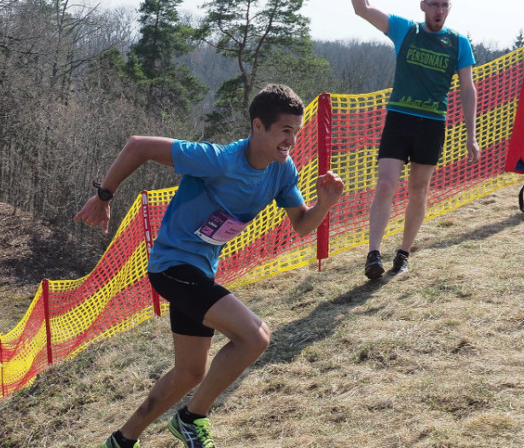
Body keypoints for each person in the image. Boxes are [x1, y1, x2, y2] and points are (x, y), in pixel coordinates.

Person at [75, 84, 344, 448]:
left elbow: (301, 224)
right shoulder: (217, 160)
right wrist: (104, 196)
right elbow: (138, 145)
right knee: (255, 336)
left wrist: (325, 204)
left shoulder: (282, 171)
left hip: (199, 272)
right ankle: (191, 418)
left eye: (296, 131)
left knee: (189, 372)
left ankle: (122, 440)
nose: (291, 141)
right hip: (172, 267)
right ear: (258, 126)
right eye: (285, 131)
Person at [351, 0, 480, 279]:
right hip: (399, 118)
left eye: (444, 5)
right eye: (433, 4)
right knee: (386, 184)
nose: (439, 10)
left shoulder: (458, 43)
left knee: (418, 190)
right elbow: (362, 9)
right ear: (423, 5)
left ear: (449, 8)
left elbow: (468, 90)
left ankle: (403, 253)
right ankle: (373, 254)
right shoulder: (405, 30)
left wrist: (472, 135)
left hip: (432, 124)